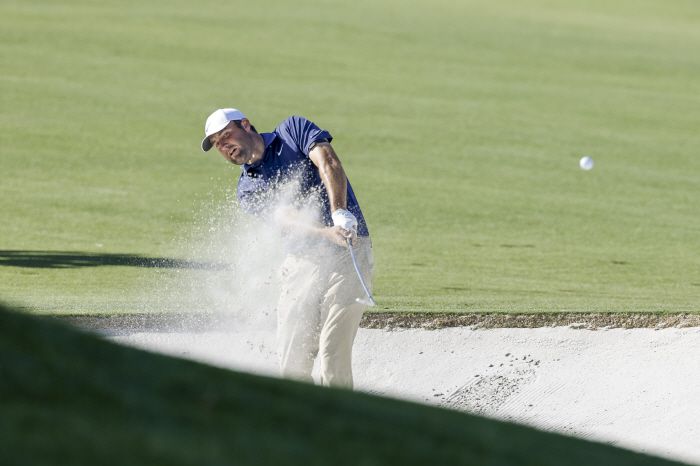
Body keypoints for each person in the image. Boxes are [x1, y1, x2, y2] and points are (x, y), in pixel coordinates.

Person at [200, 108, 373, 389]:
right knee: (292, 357)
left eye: (225, 136)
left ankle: (339, 424)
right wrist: (325, 232)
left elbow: (327, 161)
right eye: (217, 144)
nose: (224, 146)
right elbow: (286, 219)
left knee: (333, 350)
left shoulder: (292, 131)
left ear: (245, 124)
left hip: (350, 252)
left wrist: (339, 212)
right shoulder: (247, 187)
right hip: (302, 261)